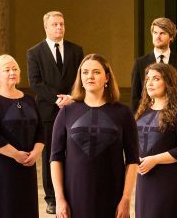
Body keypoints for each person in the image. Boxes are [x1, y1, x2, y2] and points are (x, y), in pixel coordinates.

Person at [50, 54, 138, 218]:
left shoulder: (123, 113)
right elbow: (56, 158)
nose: (89, 76)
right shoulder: (67, 112)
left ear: (107, 78)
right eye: (85, 72)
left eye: (96, 72)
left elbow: (133, 160)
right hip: (74, 196)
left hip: (112, 196)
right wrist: (59, 199)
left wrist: (126, 199)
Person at [26, 10, 84, 215]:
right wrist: (57, 99)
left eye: (62, 24)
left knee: (74, 152)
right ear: (46, 27)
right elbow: (35, 82)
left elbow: (80, 78)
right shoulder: (34, 52)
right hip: (48, 111)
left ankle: (72, 192)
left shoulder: (76, 50)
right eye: (55, 24)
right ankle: (51, 198)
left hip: (74, 108)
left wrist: (70, 97)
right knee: (51, 153)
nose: (59, 27)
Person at [0, 54, 44, 217]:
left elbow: (41, 131)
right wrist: (16, 155)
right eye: (7, 70)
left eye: (15, 69)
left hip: (26, 163)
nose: (12, 72)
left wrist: (36, 153)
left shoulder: (29, 99)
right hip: (0, 165)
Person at [134, 62, 177, 218]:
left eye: (156, 78)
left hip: (167, 180)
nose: (150, 83)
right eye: (148, 79)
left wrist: (154, 160)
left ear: (168, 82)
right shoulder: (142, 111)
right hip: (144, 179)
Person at [130, 17, 177, 109]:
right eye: (155, 33)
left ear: (171, 37)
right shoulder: (140, 63)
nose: (157, 37)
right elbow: (135, 97)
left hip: (176, 113)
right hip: (148, 114)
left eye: (162, 33)